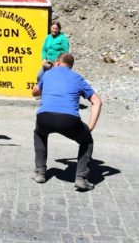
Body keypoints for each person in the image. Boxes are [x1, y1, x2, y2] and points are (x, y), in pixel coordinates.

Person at [31, 52, 102, 191]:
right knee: (86, 141)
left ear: (57, 62)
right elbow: (97, 101)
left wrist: (44, 71)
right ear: (71, 66)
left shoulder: (48, 74)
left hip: (44, 117)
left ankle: (40, 172)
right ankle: (81, 178)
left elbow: (34, 92)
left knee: (39, 134)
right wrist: (91, 127)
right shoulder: (77, 78)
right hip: (69, 120)